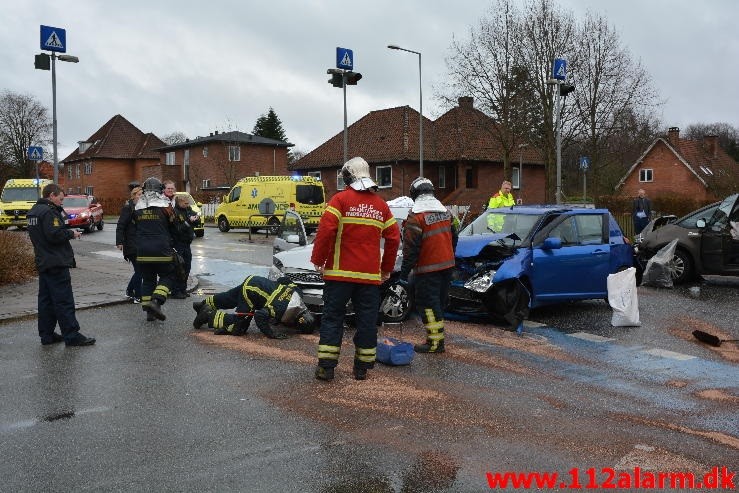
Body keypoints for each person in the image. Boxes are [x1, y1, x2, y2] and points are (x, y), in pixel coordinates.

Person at [310, 157, 401, 381]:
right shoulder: (381, 206)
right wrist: (386, 269)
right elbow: (394, 238)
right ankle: (361, 368)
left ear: (348, 176)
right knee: (367, 321)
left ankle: (327, 368)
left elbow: (326, 231)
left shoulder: (339, 200)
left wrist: (318, 260)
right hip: (369, 278)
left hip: (339, 275)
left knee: (333, 318)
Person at [27, 183, 96, 346]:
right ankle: (71, 335)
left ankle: (47, 335)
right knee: (63, 300)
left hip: (43, 260)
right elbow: (54, 235)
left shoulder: (33, 212)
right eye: (60, 198)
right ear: (51, 195)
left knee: (46, 301)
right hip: (56, 261)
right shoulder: (49, 212)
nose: (61, 201)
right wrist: (71, 233)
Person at [400, 177, 459, 354]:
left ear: (415, 194)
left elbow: (410, 249)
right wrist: (449, 255)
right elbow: (455, 236)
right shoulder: (446, 213)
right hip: (447, 267)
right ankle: (437, 340)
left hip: (427, 270)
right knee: (438, 303)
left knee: (428, 304)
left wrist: (404, 274)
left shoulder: (416, 217)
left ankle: (435, 343)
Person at [192, 275, 316, 338]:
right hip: (251, 292)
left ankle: (203, 303)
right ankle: (207, 315)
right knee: (239, 327)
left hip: (256, 281)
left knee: (228, 298)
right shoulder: (281, 311)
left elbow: (284, 280)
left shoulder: (298, 294)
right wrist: (271, 334)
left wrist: (272, 288)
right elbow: (259, 315)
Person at [134, 177, 178, 321]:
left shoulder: (137, 208)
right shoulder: (166, 207)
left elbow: (133, 227)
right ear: (160, 190)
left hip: (142, 251)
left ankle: (149, 312)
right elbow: (174, 226)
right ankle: (157, 301)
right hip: (162, 250)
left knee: (147, 280)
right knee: (168, 276)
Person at [116, 186, 143, 303]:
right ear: (134, 196)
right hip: (131, 244)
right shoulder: (128, 208)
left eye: (143, 195)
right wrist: (119, 242)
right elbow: (121, 225)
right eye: (139, 195)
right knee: (140, 271)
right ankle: (138, 295)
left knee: (140, 270)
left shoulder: (142, 208)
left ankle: (129, 290)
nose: (141, 197)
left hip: (140, 243)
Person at [170, 194, 199, 299]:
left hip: (187, 243)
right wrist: (188, 222)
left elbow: (196, 221)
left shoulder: (188, 210)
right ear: (179, 202)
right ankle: (176, 290)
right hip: (178, 244)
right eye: (185, 203)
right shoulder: (175, 212)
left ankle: (183, 289)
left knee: (187, 267)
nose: (187, 205)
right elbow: (177, 229)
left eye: (188, 203)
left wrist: (196, 219)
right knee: (178, 268)